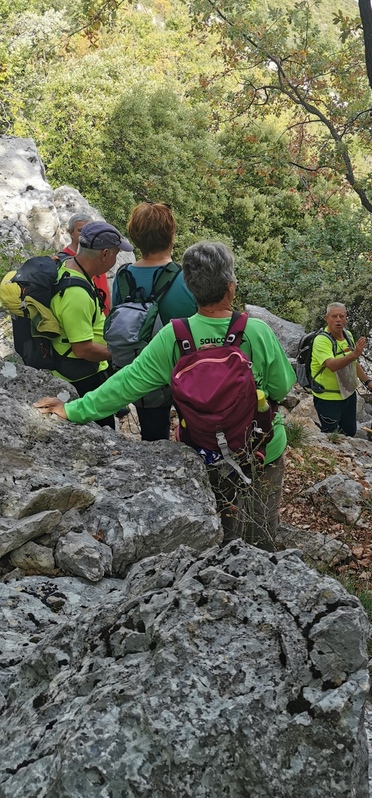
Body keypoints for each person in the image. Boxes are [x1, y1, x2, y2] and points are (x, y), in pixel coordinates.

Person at [35, 241, 296, 550]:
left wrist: (74, 409)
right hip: (260, 448)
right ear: (231, 287)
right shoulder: (256, 332)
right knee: (262, 535)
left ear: (189, 286)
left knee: (220, 534)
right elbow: (282, 387)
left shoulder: (175, 336)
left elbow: (126, 383)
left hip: (205, 453)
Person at [111, 202, 197, 441]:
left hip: (144, 370)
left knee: (153, 439)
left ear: (134, 236)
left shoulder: (122, 277)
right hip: (186, 371)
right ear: (171, 234)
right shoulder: (186, 279)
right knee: (196, 431)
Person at [51, 221, 133, 429]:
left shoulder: (68, 265)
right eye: (115, 254)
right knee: (104, 432)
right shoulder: (76, 294)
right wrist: (118, 354)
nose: (115, 260)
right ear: (105, 254)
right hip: (84, 378)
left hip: (82, 372)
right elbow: (83, 349)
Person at [310, 302, 372, 437]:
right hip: (328, 397)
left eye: (342, 316)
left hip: (348, 394)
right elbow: (332, 365)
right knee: (330, 434)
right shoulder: (321, 341)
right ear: (326, 318)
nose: (338, 319)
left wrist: (368, 382)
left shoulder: (348, 336)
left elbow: (353, 363)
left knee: (350, 432)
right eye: (334, 316)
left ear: (346, 318)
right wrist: (354, 354)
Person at [62, 213, 111, 315]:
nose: (85, 234)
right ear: (70, 233)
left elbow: (104, 283)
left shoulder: (97, 254)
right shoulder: (65, 259)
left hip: (103, 317)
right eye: (80, 230)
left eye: (89, 230)